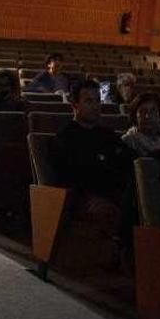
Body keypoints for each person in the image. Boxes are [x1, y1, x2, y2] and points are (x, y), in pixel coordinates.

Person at [50, 80, 136, 239]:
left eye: (98, 100)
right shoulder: (65, 137)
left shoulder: (107, 134)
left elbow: (129, 160)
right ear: (74, 105)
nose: (96, 106)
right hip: (85, 198)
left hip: (115, 193)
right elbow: (68, 178)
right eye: (89, 101)